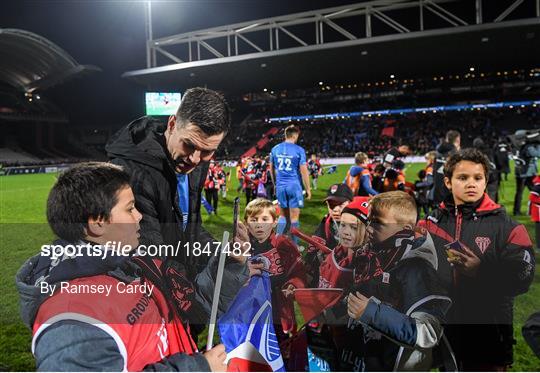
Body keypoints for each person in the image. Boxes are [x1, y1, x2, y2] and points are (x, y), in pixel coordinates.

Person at [15, 163, 250, 371]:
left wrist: (230, 265)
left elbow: (193, 307)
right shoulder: (72, 319)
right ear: (97, 223)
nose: (139, 216)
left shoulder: (138, 262)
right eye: (129, 209)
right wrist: (199, 368)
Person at [419, 148, 536, 370]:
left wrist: (481, 271)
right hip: (444, 334)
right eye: (463, 178)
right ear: (447, 182)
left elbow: (523, 277)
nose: (471, 183)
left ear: (485, 182)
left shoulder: (508, 227)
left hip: (489, 337)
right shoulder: (430, 223)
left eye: (478, 178)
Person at [106, 87, 230, 276]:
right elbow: (149, 255)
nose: (195, 159)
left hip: (179, 275)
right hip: (154, 286)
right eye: (189, 145)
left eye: (208, 151)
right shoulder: (134, 173)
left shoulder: (192, 161)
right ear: (172, 124)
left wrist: (223, 256)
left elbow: (189, 228)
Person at [345, 191, 452, 371]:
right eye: (369, 221)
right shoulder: (384, 253)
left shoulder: (416, 267)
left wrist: (371, 312)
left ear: (405, 231)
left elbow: (428, 332)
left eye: (378, 223)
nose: (369, 228)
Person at [244, 198, 306, 342]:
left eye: (264, 219)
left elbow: (298, 271)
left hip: (279, 306)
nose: (259, 224)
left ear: (274, 222)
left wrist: (293, 285)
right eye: (254, 220)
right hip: (252, 308)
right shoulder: (243, 246)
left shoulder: (283, 244)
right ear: (247, 223)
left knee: (282, 344)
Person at [269, 125, 311, 241]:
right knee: (294, 218)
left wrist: (275, 185)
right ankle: (294, 247)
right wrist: (308, 189)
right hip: (294, 186)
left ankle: (276, 244)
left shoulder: (275, 149)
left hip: (281, 186)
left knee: (282, 216)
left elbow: (271, 169)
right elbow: (304, 172)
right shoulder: (299, 150)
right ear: (295, 135)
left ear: (285, 135)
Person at [430, 129, 460, 207]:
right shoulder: (455, 155)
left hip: (436, 194)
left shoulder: (437, 152)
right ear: (457, 139)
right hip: (449, 196)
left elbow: (433, 172)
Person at [513, 130, 540, 215]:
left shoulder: (518, 146)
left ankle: (516, 211)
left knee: (519, 193)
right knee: (535, 192)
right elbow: (537, 154)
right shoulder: (528, 147)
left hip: (520, 172)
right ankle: (532, 210)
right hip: (527, 173)